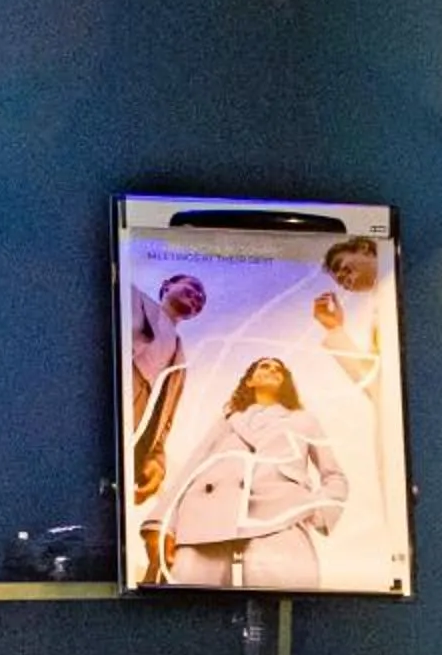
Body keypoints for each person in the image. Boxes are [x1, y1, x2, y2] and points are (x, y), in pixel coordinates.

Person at [162, 357, 348, 593]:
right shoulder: (227, 421)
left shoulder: (303, 420)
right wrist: (165, 525)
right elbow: (192, 469)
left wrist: (317, 510)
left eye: (279, 369)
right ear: (249, 381)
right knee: (189, 610)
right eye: (264, 366)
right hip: (206, 518)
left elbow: (334, 476)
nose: (272, 370)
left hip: (280, 516)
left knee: (284, 604)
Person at [125, 271, 205, 585]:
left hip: (140, 415)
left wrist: (156, 457)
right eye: (192, 287)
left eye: (201, 300)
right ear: (167, 286)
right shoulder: (131, 299)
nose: (196, 297)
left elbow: (165, 416)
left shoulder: (180, 355)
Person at [309, 234, 385, 400]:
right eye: (337, 280)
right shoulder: (380, 311)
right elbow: (379, 388)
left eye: (339, 266)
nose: (339, 278)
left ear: (364, 248)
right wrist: (335, 329)